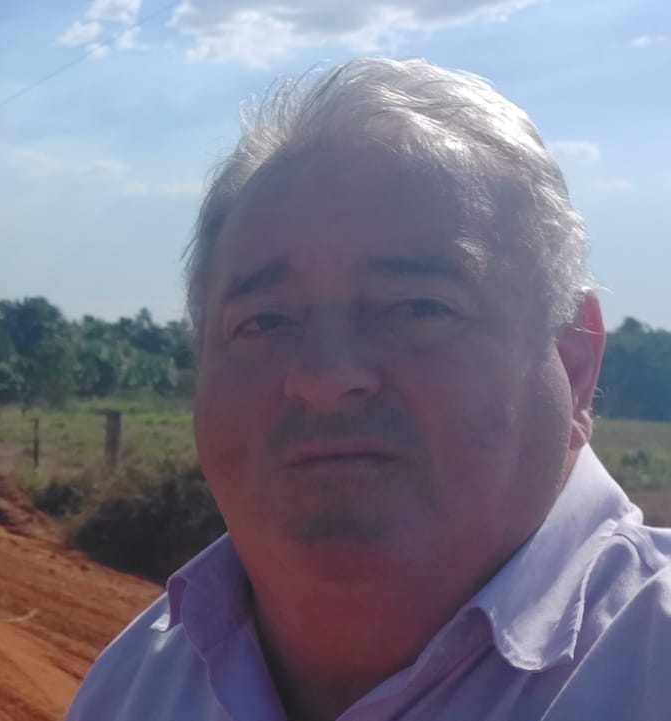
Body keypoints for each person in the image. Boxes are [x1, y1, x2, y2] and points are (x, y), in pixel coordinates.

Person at [65, 57, 671, 721]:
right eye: (264, 321)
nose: (324, 378)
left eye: (418, 308)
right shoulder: (128, 693)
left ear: (574, 363)